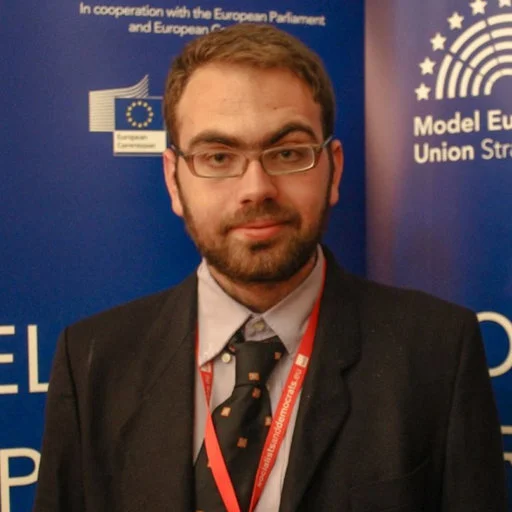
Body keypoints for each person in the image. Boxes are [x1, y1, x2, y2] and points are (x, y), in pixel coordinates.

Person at [34, 23, 507, 512]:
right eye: (218, 156)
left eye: (287, 153)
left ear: (334, 169)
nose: (256, 188)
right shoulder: (93, 361)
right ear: (174, 181)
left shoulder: (438, 352)